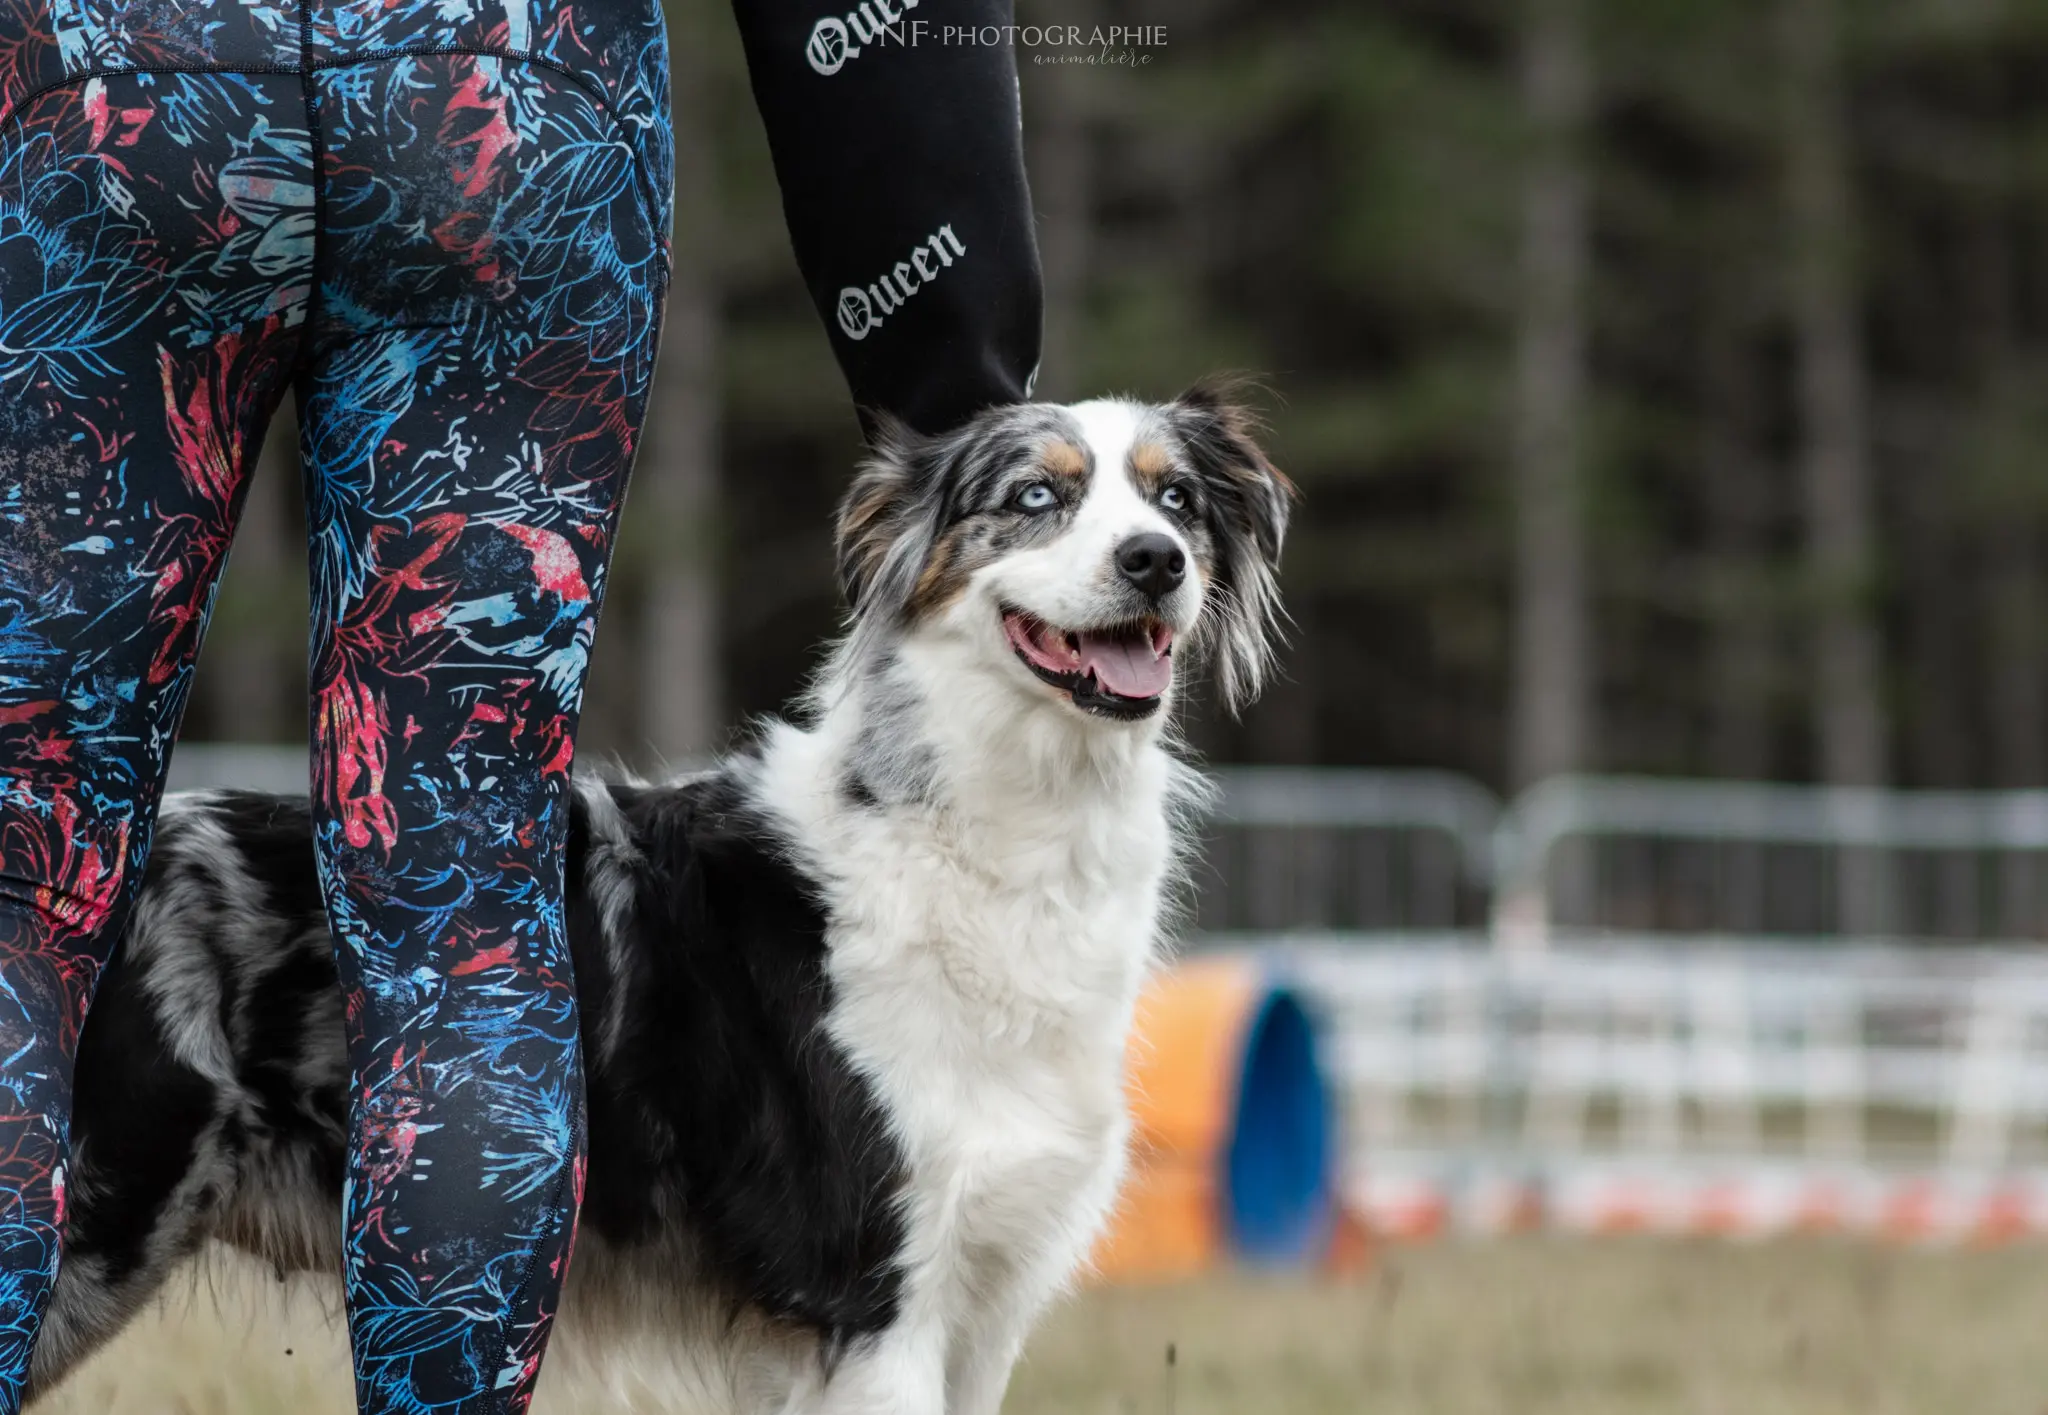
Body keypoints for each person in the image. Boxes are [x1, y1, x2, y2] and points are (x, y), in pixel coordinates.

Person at [0, 0, 1041, 1409]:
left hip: (120, 89)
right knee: (464, 907)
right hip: (504, 100)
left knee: (21, 891)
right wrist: (957, 380)